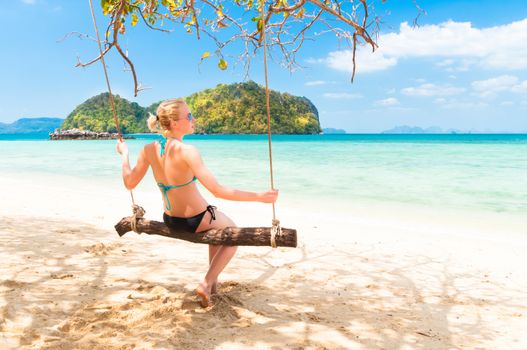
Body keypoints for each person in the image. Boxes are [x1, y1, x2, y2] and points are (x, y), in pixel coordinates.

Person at [116, 98, 278, 307]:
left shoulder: (148, 149)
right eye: (189, 116)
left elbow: (129, 183)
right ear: (174, 123)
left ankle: (212, 286)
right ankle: (206, 282)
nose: (193, 119)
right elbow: (218, 191)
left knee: (217, 233)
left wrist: (124, 154)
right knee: (233, 234)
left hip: (171, 219)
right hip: (196, 219)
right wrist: (258, 197)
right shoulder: (188, 151)